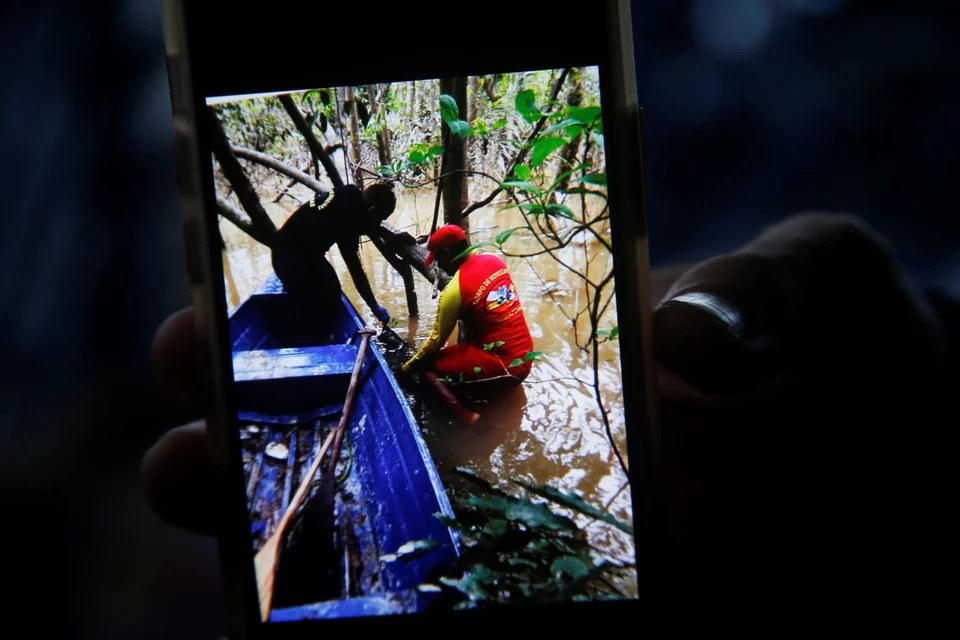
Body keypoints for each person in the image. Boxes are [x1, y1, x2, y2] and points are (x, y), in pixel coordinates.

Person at [143, 212, 956, 614]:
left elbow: (432, 339)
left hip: (496, 370)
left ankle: (470, 417)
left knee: (433, 373)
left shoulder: (460, 279)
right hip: (519, 363)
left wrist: (413, 365)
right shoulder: (489, 263)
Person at [400, 224, 535, 387]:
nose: (438, 266)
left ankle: (465, 412)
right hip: (527, 359)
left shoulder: (454, 289)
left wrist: (407, 367)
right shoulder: (494, 259)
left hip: (505, 367)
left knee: (429, 365)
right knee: (461, 351)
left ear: (448, 254)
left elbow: (434, 342)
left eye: (437, 259)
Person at [270, 181, 396, 324]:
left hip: (295, 253)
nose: (379, 224)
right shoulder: (347, 220)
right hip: (289, 260)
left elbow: (368, 225)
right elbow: (356, 270)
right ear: (372, 210)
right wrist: (374, 307)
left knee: (330, 289)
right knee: (329, 300)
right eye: (380, 219)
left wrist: (394, 236)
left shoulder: (352, 194)